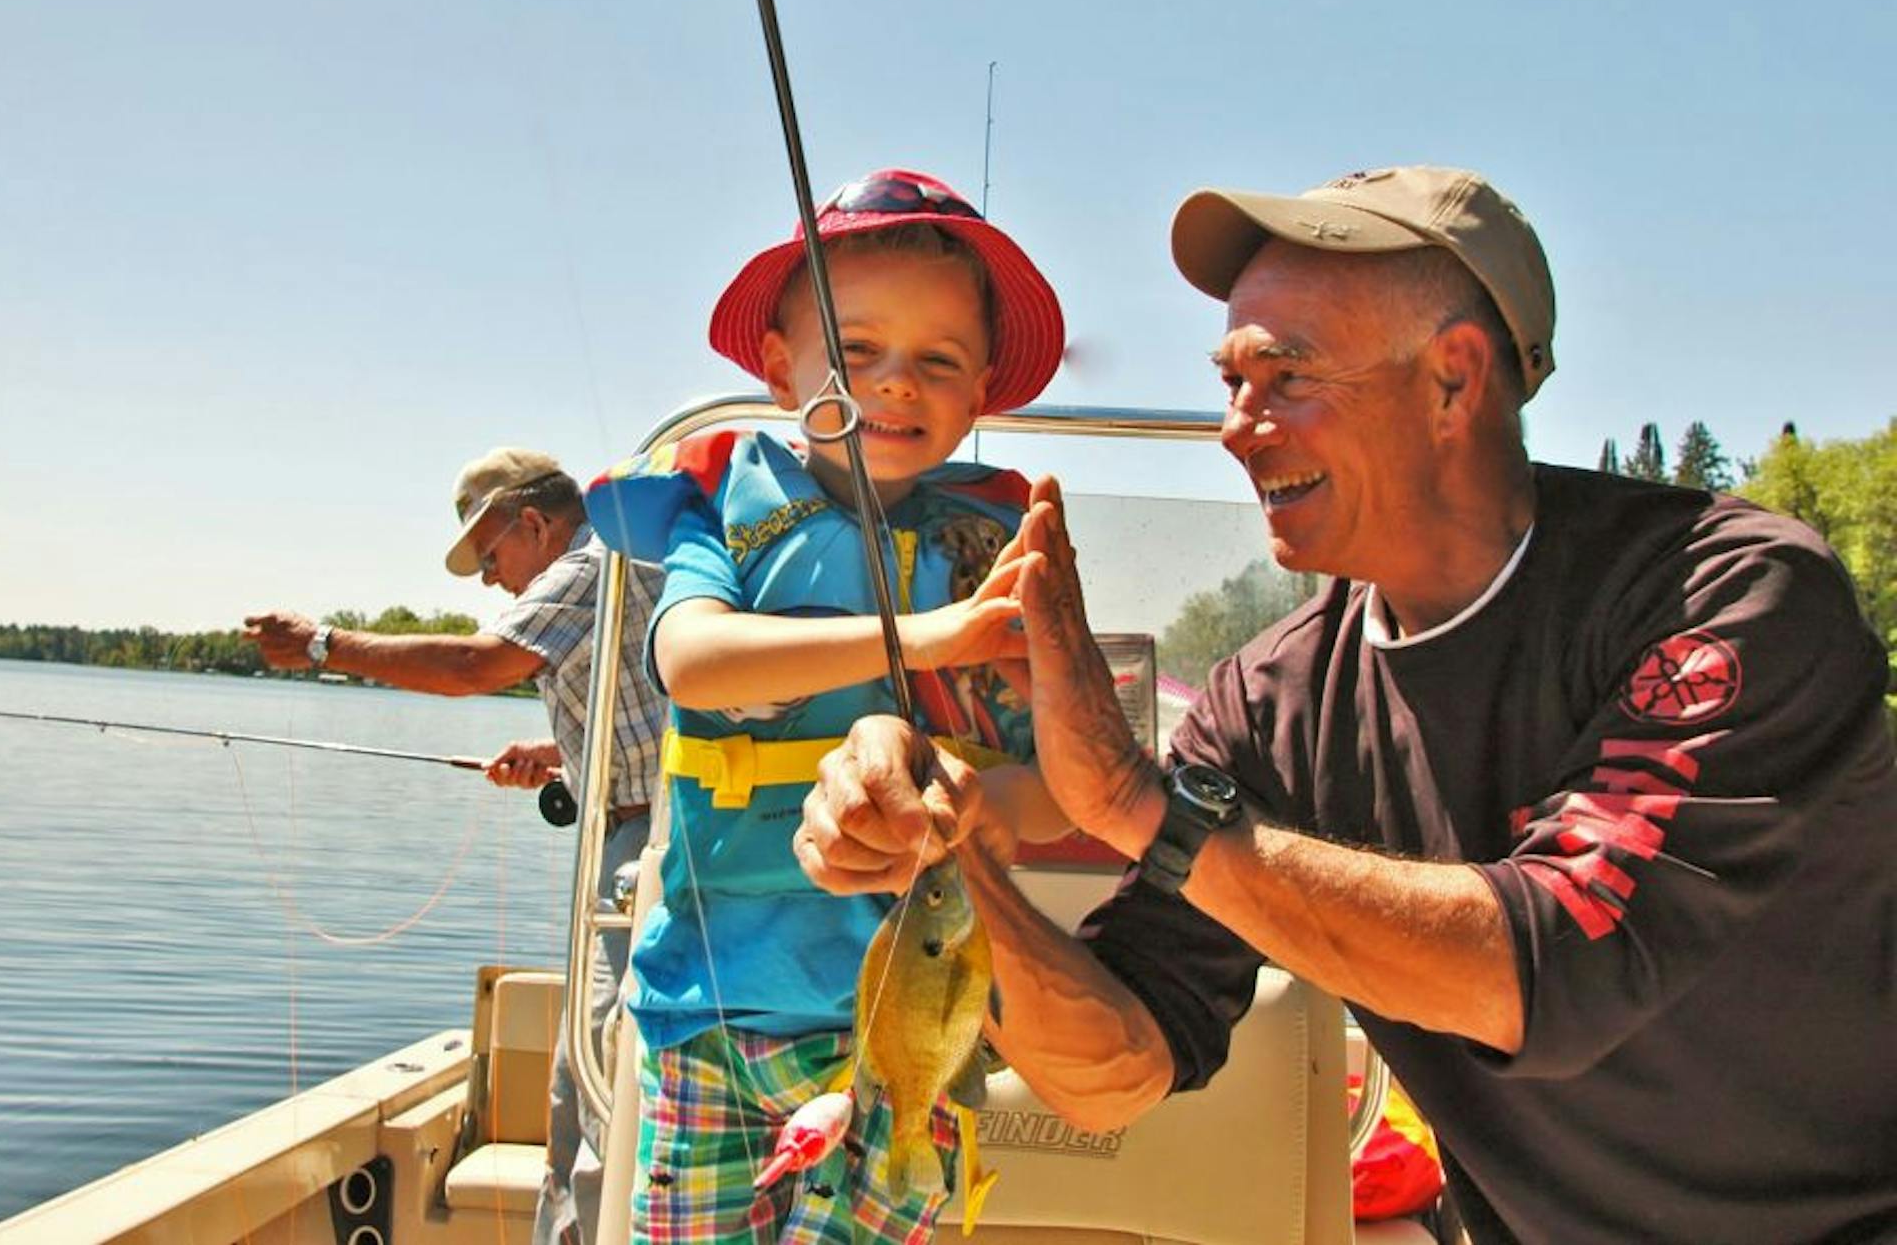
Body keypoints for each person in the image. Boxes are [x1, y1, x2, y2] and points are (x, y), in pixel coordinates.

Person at [796, 166, 1897, 1243]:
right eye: (1229, 380)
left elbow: (1554, 965)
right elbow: (1118, 1069)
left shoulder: (1728, 591)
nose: (1237, 424)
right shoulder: (1271, 703)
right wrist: (953, 857)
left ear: (1456, 379)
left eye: (1286, 375)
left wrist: (1137, 798)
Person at [584, 168, 1071, 1243]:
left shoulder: (987, 555)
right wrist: (929, 636)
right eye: (857, 354)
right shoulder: (723, 510)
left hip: (903, 1032)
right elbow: (693, 660)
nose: (895, 385)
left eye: (938, 361)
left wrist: (986, 806)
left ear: (983, 386)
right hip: (702, 1011)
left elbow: (1052, 793)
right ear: (778, 365)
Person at [246, 447, 668, 1245]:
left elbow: (476, 665)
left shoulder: (588, 567)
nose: (487, 581)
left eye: (488, 555)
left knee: (604, 1072)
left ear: (535, 523)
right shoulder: (600, 572)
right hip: (625, 836)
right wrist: (560, 757)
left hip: (646, 847)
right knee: (579, 1074)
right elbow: (646, 713)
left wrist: (323, 646)